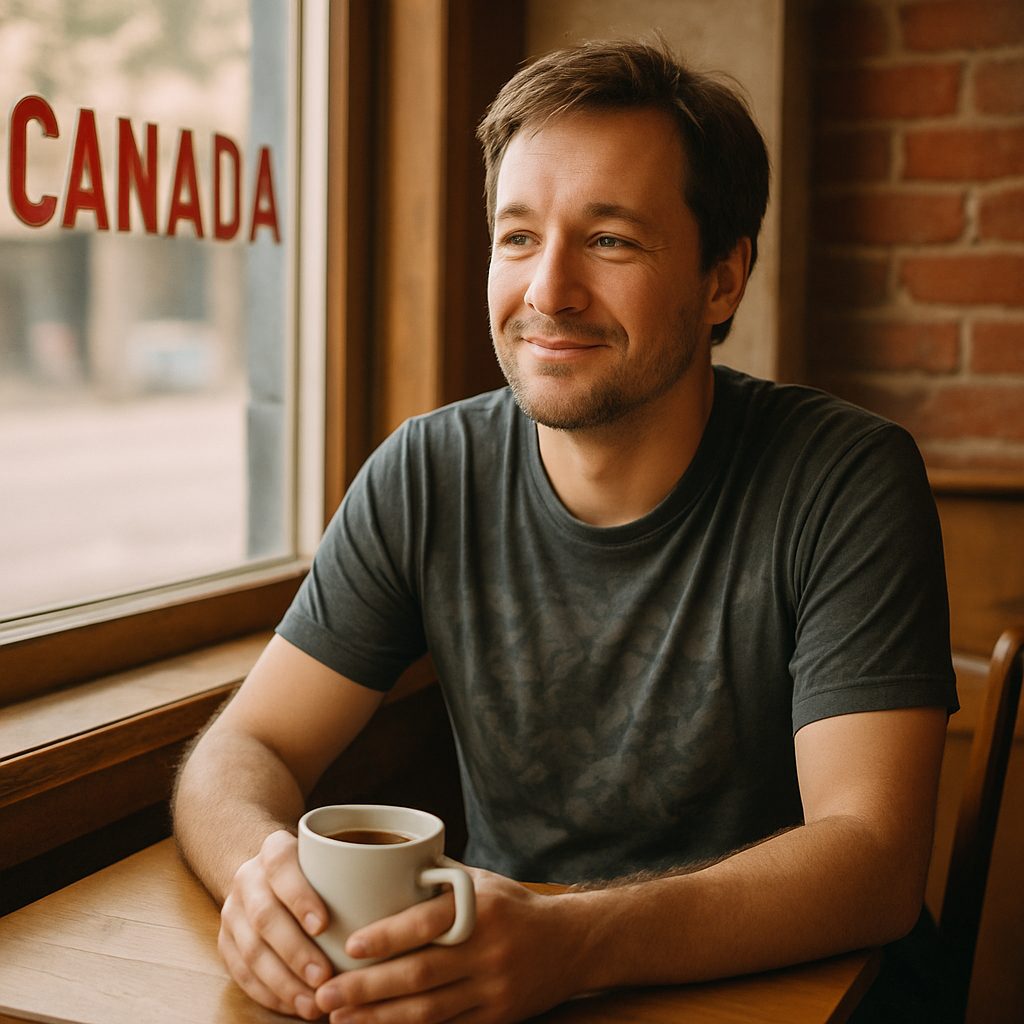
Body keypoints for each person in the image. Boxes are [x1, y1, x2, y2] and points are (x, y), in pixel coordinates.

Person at [173, 39, 958, 1024]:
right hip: (516, 995)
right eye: (516, 236)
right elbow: (243, 745)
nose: (547, 289)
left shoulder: (842, 477)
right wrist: (261, 881)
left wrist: (574, 939)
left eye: (611, 239)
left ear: (722, 279)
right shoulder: (426, 472)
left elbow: (873, 857)